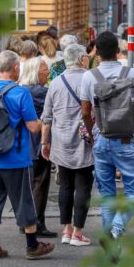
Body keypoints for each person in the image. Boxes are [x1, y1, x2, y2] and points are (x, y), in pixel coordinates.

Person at [0, 50, 54, 260]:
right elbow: (33, 127)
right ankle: (32, 246)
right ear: (15, 68)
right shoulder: (20, 93)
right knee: (24, 201)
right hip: (16, 158)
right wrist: (44, 122)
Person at [80, 31, 134, 241]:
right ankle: (116, 230)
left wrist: (93, 132)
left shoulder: (89, 76)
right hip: (126, 139)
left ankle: (111, 240)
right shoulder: (132, 73)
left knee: (108, 195)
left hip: (101, 138)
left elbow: (85, 111)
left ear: (97, 52)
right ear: (118, 51)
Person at [42, 44, 95, 246]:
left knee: (65, 186)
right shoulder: (90, 80)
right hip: (85, 141)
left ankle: (66, 230)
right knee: (83, 186)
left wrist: (44, 143)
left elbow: (47, 119)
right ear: (82, 59)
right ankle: (78, 233)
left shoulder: (55, 83)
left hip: (61, 142)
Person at [19, 56, 57, 238]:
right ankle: (37, 223)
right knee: (40, 184)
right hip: (38, 144)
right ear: (35, 73)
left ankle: (25, 221)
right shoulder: (41, 92)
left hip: (21, 145)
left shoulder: (20, 90)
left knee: (26, 185)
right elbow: (51, 115)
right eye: (45, 70)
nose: (48, 72)